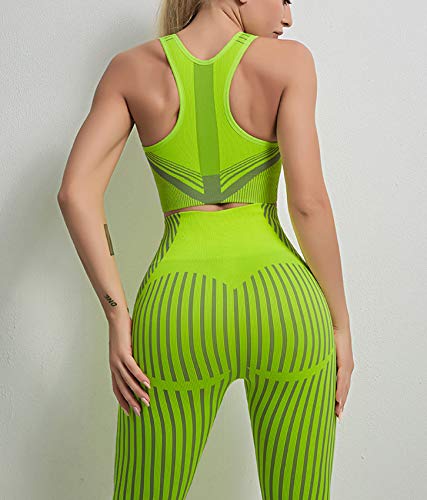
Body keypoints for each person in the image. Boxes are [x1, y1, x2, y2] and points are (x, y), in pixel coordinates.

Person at [57, 0, 354, 498]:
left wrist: (117, 315)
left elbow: (75, 193)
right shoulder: (291, 63)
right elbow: (309, 204)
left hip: (177, 308)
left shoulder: (131, 70)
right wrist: (340, 326)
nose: (289, 17)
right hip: (286, 304)